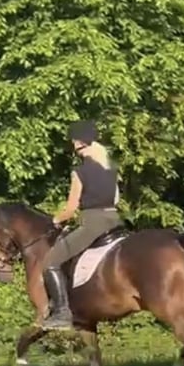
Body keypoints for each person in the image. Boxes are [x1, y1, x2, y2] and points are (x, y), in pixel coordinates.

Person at [41, 120, 124, 331]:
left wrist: (54, 220)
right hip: (115, 222)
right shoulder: (111, 169)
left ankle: (61, 313)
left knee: (50, 262)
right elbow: (115, 200)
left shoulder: (79, 172)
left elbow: (70, 210)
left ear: (77, 143)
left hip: (92, 225)